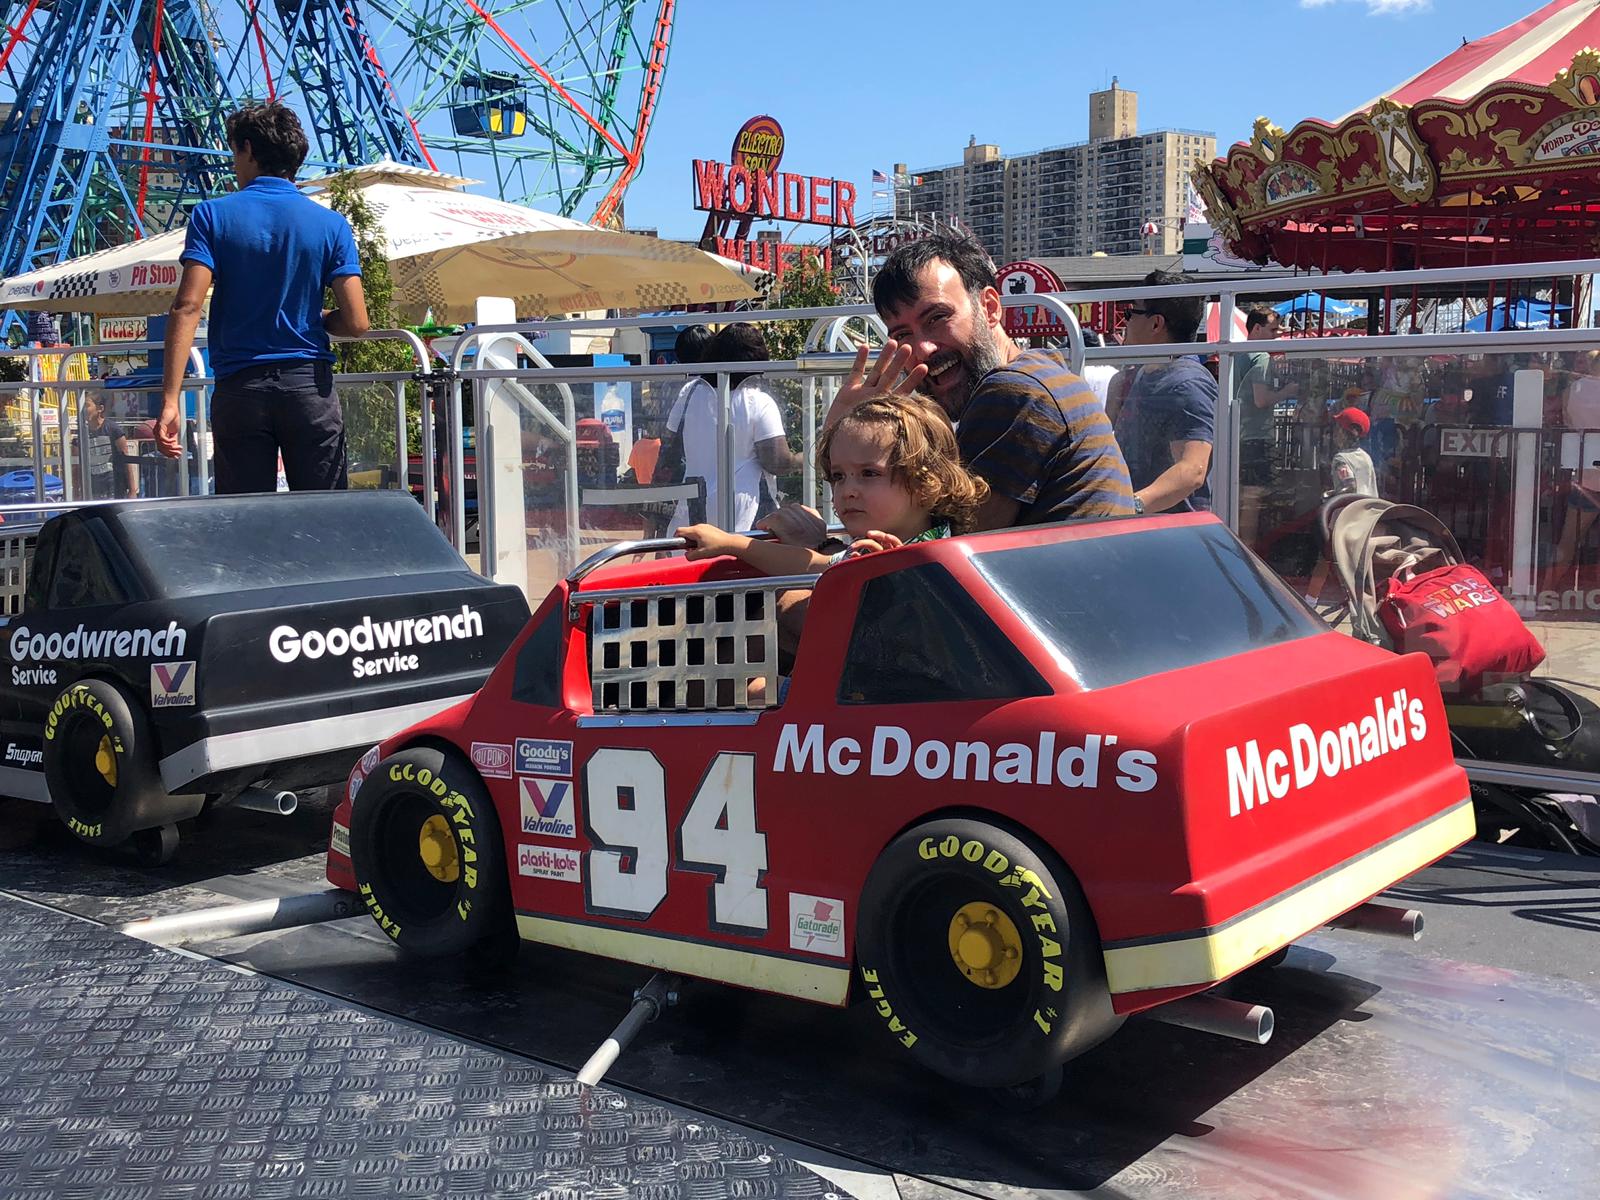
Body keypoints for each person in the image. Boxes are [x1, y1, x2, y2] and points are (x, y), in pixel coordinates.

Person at [763, 235, 1132, 553]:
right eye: (902, 334)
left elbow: (945, 555)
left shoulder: (1012, 393)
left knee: (789, 606)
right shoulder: (1045, 369)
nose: (922, 348)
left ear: (989, 307)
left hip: (1049, 623)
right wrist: (847, 433)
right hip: (1071, 611)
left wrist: (820, 546)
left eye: (936, 318)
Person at [155, 102, 370, 492]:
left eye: (235, 152)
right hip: (309, 388)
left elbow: (187, 306)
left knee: (246, 524)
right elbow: (357, 322)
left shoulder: (212, 216)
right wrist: (320, 320)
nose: (234, 163)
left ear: (250, 150)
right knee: (327, 521)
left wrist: (170, 399)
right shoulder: (331, 224)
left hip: (240, 389)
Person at [679, 392, 986, 585]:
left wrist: (731, 543)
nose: (847, 490)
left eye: (868, 473)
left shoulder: (880, 556)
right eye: (839, 476)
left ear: (926, 483)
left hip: (877, 689)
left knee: (755, 690)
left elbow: (811, 566)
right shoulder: (945, 541)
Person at [666, 322, 799, 531]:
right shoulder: (757, 401)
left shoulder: (689, 393)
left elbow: (669, 444)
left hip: (692, 509)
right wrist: (805, 459)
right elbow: (777, 462)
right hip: (744, 514)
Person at [1111, 270, 1217, 514]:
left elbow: (1192, 470)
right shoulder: (1138, 375)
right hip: (1143, 529)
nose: (1124, 321)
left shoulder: (1186, 382)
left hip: (1169, 535)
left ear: (1156, 323)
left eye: (1130, 313)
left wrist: (1130, 506)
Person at [1235, 307, 1298, 546]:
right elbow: (1261, 399)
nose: (1277, 334)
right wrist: (1287, 392)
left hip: (1238, 434)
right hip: (1257, 437)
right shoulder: (1260, 356)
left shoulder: (1237, 354)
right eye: (1273, 330)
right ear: (1257, 328)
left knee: (1242, 497)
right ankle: (1249, 552)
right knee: (1254, 499)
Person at [81, 394, 137, 499]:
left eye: (86, 405)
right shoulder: (81, 433)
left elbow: (126, 460)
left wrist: (132, 490)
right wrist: (77, 492)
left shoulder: (113, 429)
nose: (83, 410)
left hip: (114, 485)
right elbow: (76, 467)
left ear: (100, 408)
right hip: (93, 487)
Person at [1330, 407, 1378, 498]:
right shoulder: (1366, 456)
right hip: (1369, 508)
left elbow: (1350, 487)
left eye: (1337, 428)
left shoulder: (1341, 459)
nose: (1334, 433)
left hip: (1351, 509)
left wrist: (1332, 495)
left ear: (1344, 433)